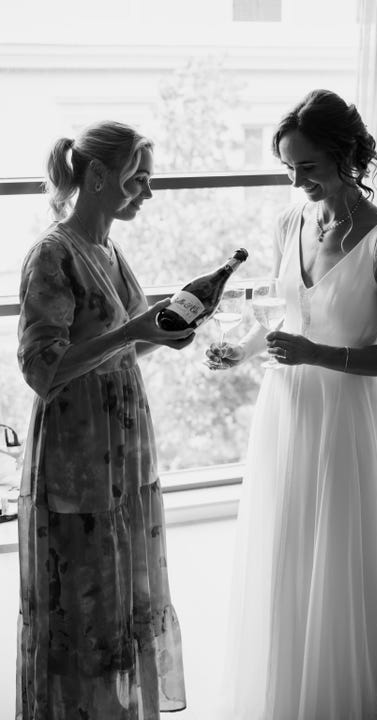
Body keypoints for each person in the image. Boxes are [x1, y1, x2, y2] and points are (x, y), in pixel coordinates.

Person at [206, 90, 377, 719]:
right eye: (287, 166)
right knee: (288, 548)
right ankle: (291, 681)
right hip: (287, 413)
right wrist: (242, 350)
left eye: (306, 166)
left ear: (345, 155)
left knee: (339, 558)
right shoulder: (290, 223)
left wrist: (314, 354)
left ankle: (346, 687)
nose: (295, 180)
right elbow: (285, 318)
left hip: (348, 418)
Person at [16, 121, 194, 719]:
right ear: (97, 177)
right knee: (84, 604)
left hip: (123, 447)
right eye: (137, 179)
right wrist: (131, 333)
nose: (147, 191)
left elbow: (127, 344)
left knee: (123, 598)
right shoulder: (53, 253)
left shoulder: (111, 250)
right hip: (78, 452)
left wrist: (159, 337)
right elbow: (41, 368)